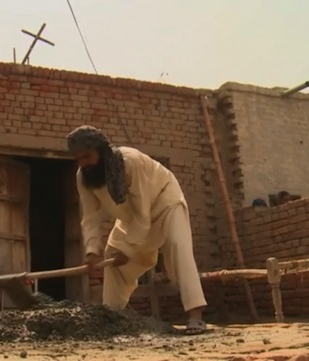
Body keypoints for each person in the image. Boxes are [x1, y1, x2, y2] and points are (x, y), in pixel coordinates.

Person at [67, 125, 208, 335]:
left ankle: (195, 316)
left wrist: (128, 249)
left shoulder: (130, 162)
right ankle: (111, 317)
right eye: (78, 159)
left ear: (102, 151)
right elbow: (91, 217)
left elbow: (143, 213)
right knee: (111, 258)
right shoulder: (83, 177)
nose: (83, 164)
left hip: (164, 203)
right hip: (132, 216)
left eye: (87, 156)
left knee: (179, 247)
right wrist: (91, 252)